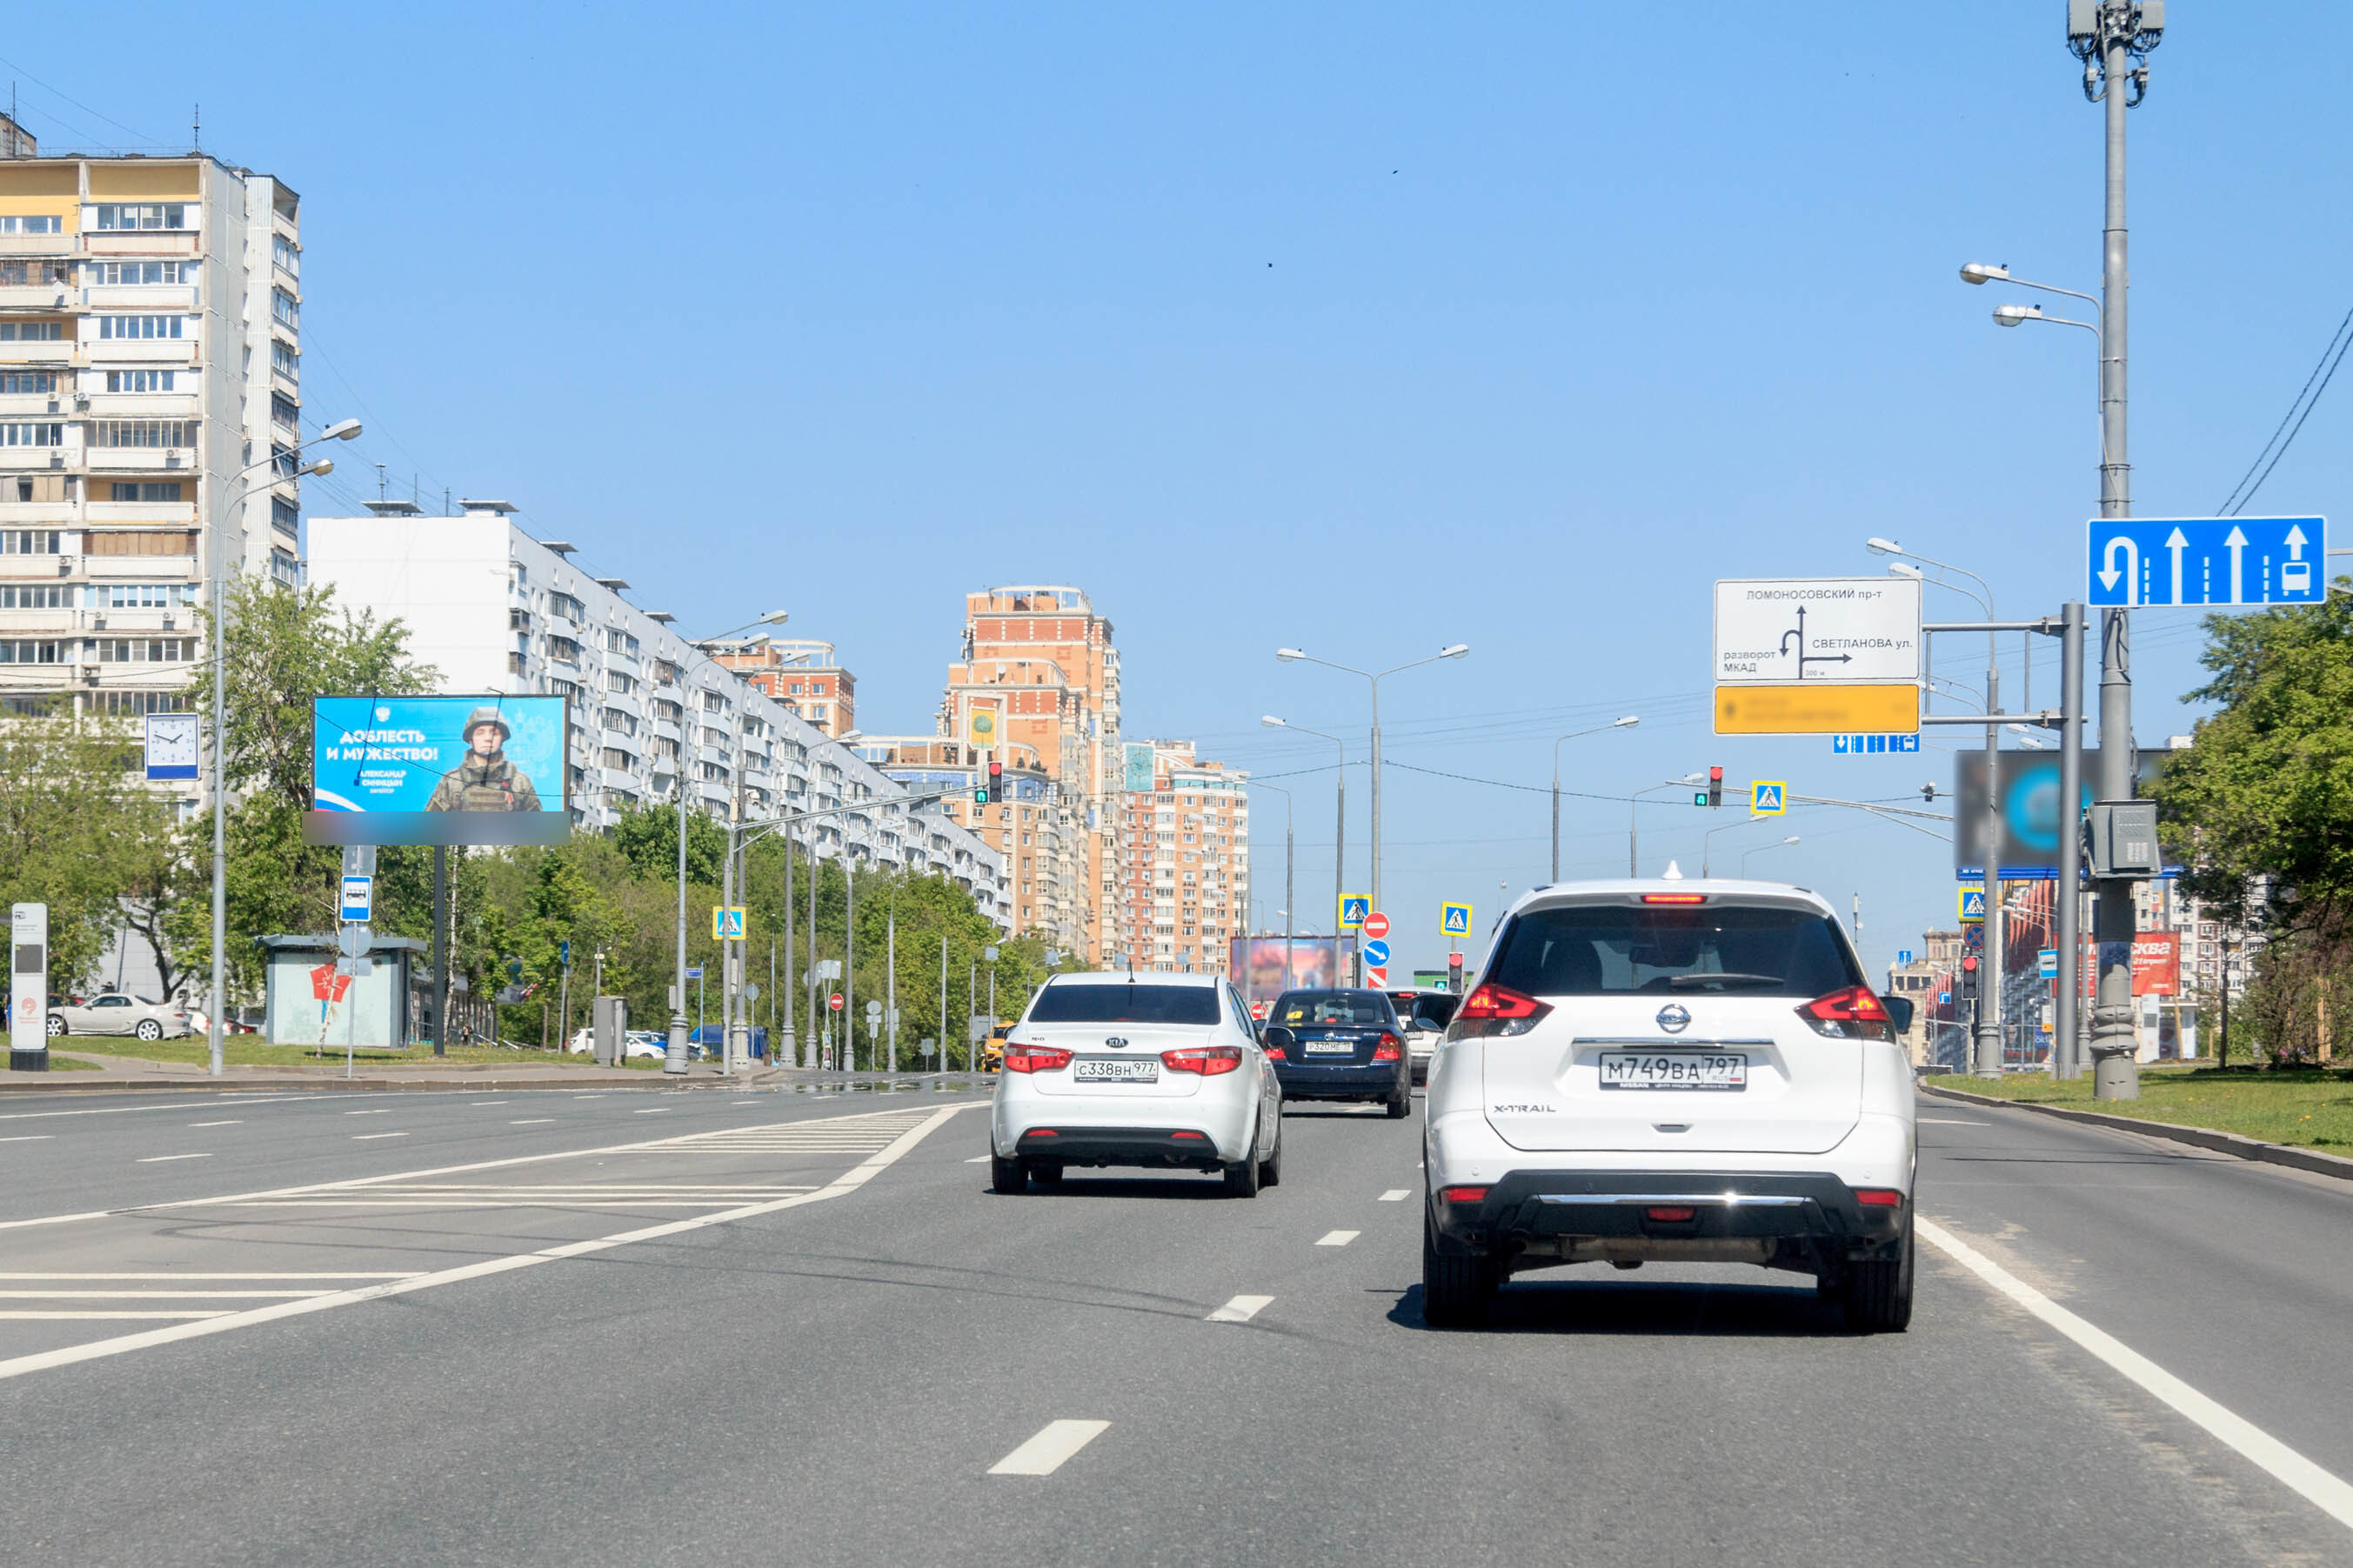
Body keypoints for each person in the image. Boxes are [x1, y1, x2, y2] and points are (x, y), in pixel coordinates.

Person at [424, 706, 542, 813]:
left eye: (494, 733)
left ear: (502, 739)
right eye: (480, 733)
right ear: (471, 740)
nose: (487, 738)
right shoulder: (452, 781)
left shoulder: (519, 781)